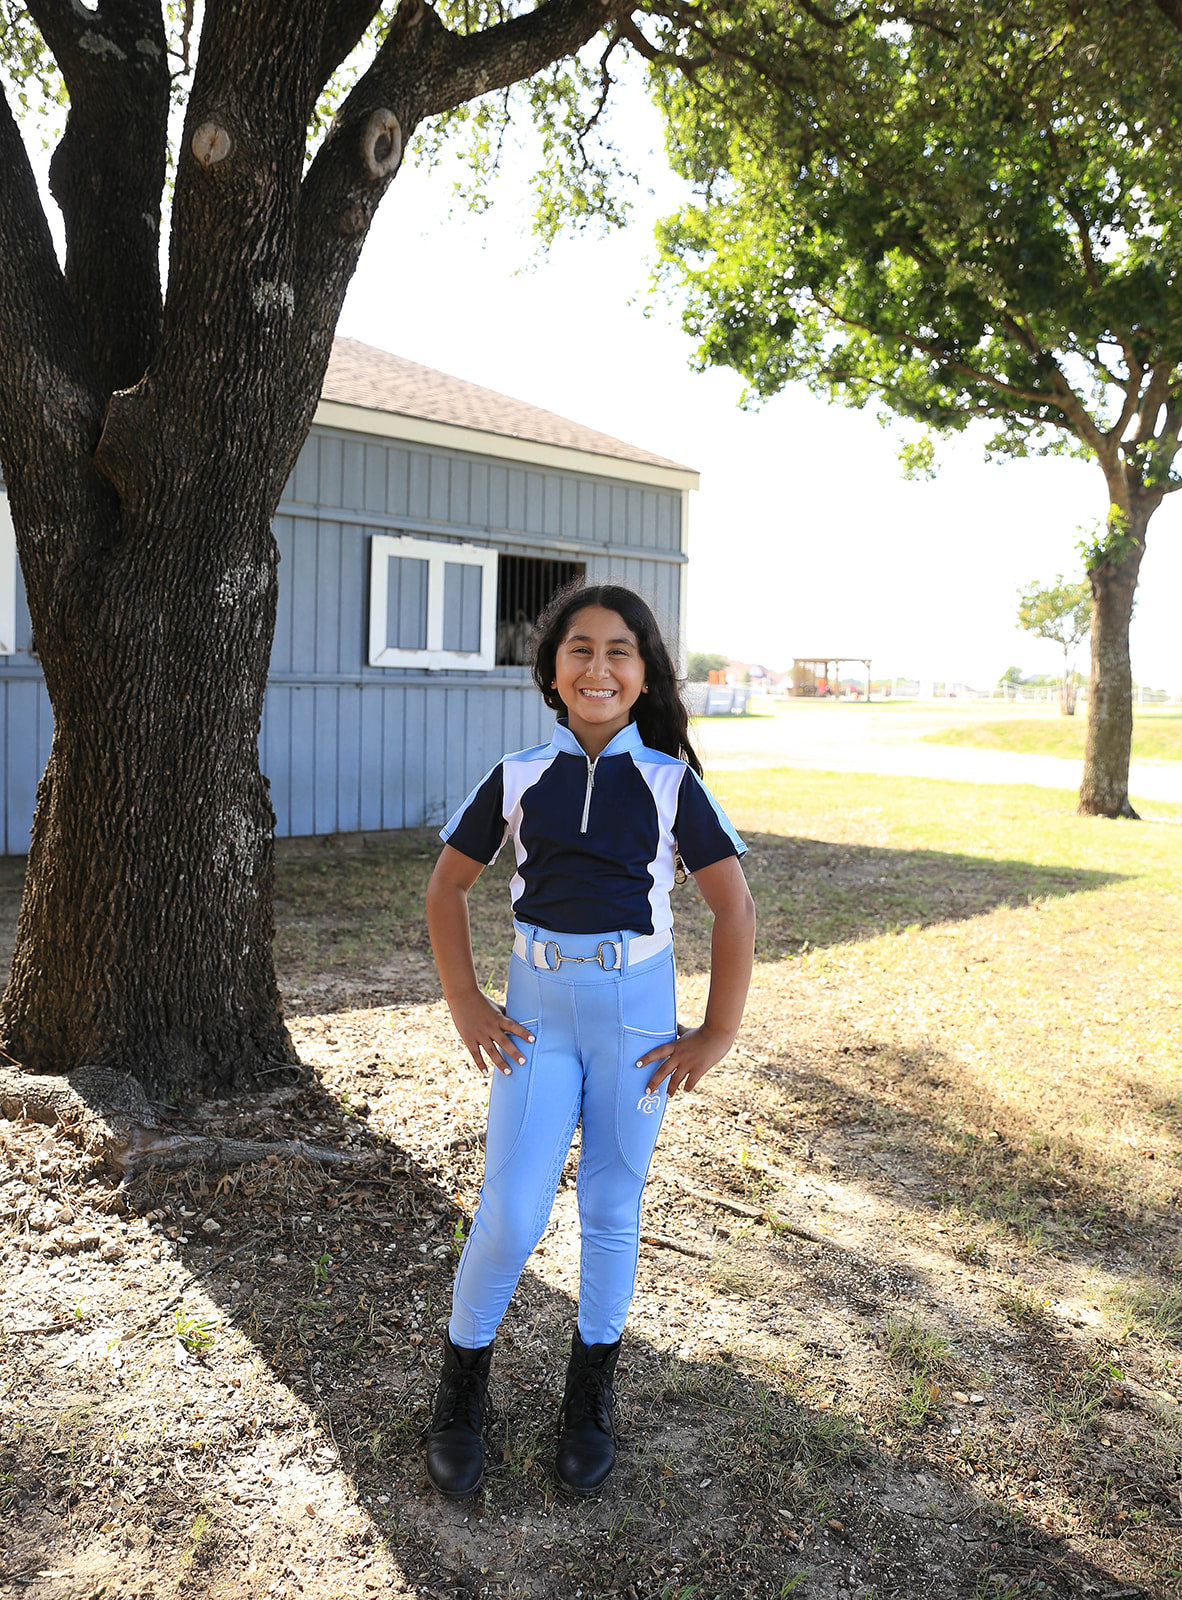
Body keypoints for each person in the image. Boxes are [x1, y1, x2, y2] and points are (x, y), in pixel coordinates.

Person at [423, 582, 755, 1499]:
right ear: (552, 671)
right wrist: (466, 1000)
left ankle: (590, 1399)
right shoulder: (520, 773)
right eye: (580, 649)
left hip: (636, 1020)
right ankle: (461, 1393)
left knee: (612, 1207)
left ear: (644, 675)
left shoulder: (670, 782)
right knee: (513, 1209)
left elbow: (733, 906)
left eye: (620, 651)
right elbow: (447, 889)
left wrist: (717, 1029)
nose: (599, 665)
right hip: (537, 1013)